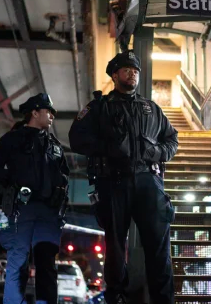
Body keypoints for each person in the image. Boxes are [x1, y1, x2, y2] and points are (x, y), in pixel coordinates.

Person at [68, 51, 178, 304]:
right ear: (115, 75)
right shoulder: (99, 107)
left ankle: (164, 300)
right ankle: (117, 298)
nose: (132, 74)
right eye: (127, 70)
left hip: (149, 182)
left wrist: (158, 152)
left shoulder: (152, 109)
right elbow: (76, 138)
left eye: (136, 70)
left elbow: (172, 139)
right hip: (113, 182)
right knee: (116, 246)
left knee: (159, 247)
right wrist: (107, 148)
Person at [0, 93, 70, 304]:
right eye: (48, 111)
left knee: (47, 264)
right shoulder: (13, 139)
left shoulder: (55, 146)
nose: (52, 116)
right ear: (35, 112)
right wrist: (10, 184)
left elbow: (64, 176)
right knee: (18, 262)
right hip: (22, 209)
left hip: (48, 213)